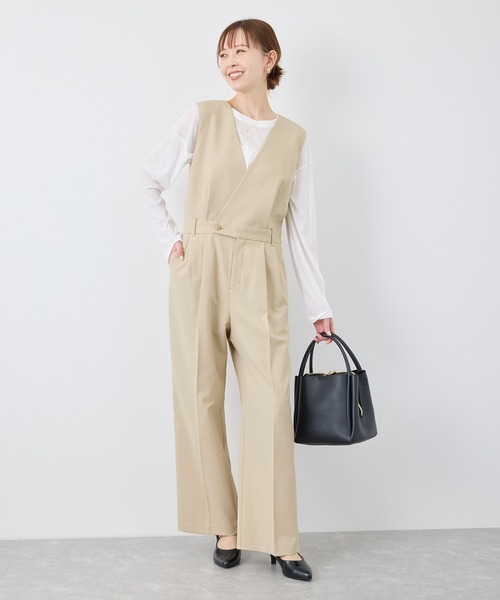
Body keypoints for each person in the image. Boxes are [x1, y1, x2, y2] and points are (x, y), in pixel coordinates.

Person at [137, 18, 335, 582]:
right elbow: (148, 178)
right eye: (223, 53)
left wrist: (319, 304)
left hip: (261, 268)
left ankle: (278, 538)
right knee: (200, 395)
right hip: (199, 265)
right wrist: (172, 243)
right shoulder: (203, 117)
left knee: (270, 402)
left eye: (241, 51)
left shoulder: (293, 138)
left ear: (270, 59)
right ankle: (223, 526)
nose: (229, 62)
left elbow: (301, 229)